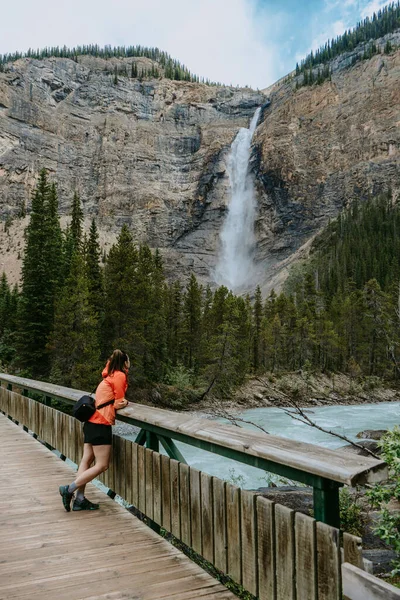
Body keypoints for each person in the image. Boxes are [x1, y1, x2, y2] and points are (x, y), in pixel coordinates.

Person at [59, 349, 130, 511]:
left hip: (91, 422)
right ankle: (69, 489)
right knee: (102, 465)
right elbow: (119, 402)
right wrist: (124, 403)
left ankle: (80, 499)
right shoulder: (119, 376)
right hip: (101, 423)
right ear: (125, 362)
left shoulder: (108, 376)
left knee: (86, 459)